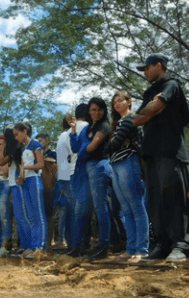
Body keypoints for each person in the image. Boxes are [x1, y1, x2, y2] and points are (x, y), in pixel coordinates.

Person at [133, 54, 189, 262]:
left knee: (174, 198)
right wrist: (149, 111)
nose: (145, 72)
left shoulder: (171, 84)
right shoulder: (149, 92)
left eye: (147, 68)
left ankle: (180, 245)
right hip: (151, 152)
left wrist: (150, 111)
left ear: (159, 66)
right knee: (156, 201)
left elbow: (153, 108)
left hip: (171, 150)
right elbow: (138, 119)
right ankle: (162, 245)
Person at [104, 90, 149, 263]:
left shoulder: (130, 119)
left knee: (136, 206)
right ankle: (131, 249)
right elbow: (111, 146)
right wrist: (115, 142)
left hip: (129, 162)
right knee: (126, 209)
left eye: (120, 100)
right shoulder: (117, 123)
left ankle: (142, 250)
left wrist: (115, 141)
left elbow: (114, 144)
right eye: (114, 101)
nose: (117, 103)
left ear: (129, 101)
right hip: (115, 165)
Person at [69, 98, 113, 260]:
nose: (96, 113)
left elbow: (92, 146)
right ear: (89, 111)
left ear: (104, 111)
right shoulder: (88, 128)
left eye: (100, 110)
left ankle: (104, 246)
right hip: (86, 169)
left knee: (100, 207)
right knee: (81, 209)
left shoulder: (104, 126)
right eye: (93, 109)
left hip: (99, 167)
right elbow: (75, 147)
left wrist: (82, 150)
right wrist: (73, 130)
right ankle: (76, 246)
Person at [13, 122, 48, 259]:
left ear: (24, 132)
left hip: (35, 180)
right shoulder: (24, 148)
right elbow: (23, 167)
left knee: (39, 215)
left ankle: (41, 247)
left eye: (17, 134)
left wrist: (25, 168)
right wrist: (21, 177)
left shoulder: (35, 144)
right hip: (26, 182)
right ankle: (33, 247)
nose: (16, 137)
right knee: (31, 216)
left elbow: (40, 164)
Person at [63, 104, 90, 257]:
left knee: (77, 210)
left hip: (72, 172)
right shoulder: (87, 126)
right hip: (84, 170)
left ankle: (76, 244)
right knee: (85, 209)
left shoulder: (68, 131)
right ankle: (83, 244)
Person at [54, 117, 75, 249]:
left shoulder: (61, 137)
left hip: (62, 177)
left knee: (66, 211)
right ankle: (73, 242)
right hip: (69, 177)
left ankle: (67, 241)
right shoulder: (68, 135)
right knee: (73, 210)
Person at [36, 133, 58, 249]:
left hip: (50, 188)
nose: (38, 143)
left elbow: (56, 169)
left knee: (50, 215)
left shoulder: (53, 154)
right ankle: (40, 242)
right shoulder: (35, 155)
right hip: (37, 188)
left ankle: (49, 243)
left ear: (47, 141)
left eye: (40, 141)